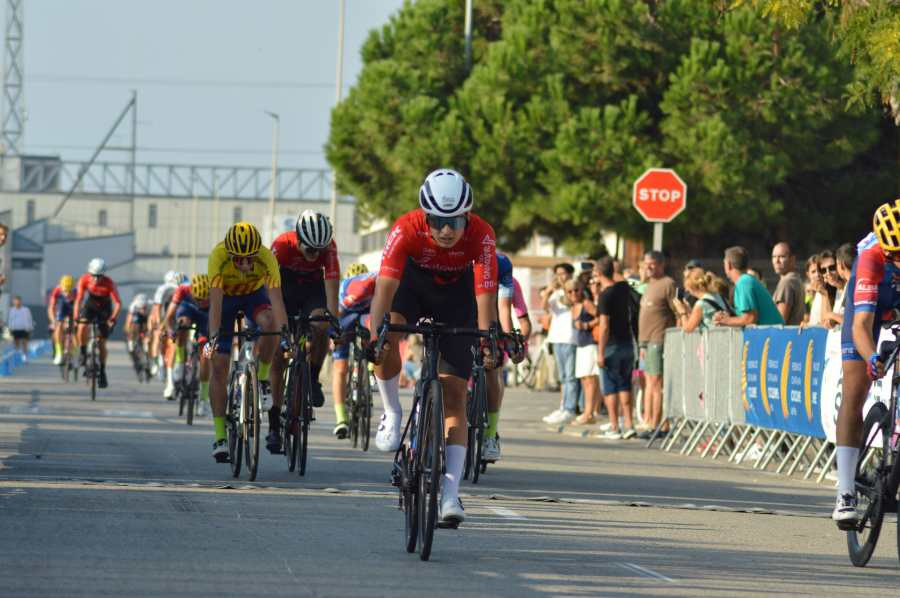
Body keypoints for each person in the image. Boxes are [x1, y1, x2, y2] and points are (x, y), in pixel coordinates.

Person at [368, 168, 498, 526]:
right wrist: (374, 335)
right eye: (438, 220)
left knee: (455, 395)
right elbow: (384, 289)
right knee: (387, 338)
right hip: (411, 286)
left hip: (456, 297)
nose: (445, 229)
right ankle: (392, 411)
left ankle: (451, 493)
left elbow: (485, 296)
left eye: (454, 221)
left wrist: (488, 340)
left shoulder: (482, 235)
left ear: (467, 216)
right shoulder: (405, 228)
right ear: (426, 215)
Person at [833, 200, 900, 527]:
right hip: (872, 304)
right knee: (856, 388)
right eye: (896, 254)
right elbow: (861, 325)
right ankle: (845, 492)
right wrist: (872, 356)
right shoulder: (871, 258)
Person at [204, 222, 288, 463]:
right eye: (237, 259)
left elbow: (277, 300)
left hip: (254, 295)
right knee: (219, 366)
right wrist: (213, 336)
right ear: (229, 253)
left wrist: (284, 333)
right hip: (226, 300)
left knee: (271, 323)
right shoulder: (218, 256)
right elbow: (216, 304)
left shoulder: (266, 258)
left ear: (256, 254)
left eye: (248, 259)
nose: (242, 264)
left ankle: (261, 379)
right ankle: (220, 436)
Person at [268, 210, 340, 454]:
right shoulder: (281, 246)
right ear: (298, 239)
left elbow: (332, 291)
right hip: (284, 287)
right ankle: (274, 421)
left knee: (322, 323)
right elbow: (272, 292)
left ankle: (312, 375)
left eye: (318, 250)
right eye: (309, 249)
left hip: (312, 289)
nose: (314, 254)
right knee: (279, 352)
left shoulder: (328, 248)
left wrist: (334, 324)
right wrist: (281, 326)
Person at [482, 252, 532, 461]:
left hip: (498, 329)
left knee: (494, 372)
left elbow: (519, 319)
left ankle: (491, 435)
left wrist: (518, 343)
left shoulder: (511, 282)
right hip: (469, 321)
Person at [331, 262, 376, 439]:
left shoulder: (383, 283)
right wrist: (333, 336)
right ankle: (341, 418)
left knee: (373, 329)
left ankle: (369, 370)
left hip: (368, 308)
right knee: (340, 368)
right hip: (345, 310)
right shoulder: (357, 288)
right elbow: (337, 316)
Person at [637, 250, 678, 439]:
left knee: (655, 383)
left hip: (658, 340)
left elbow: (677, 311)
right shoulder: (649, 284)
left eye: (652, 263)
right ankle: (650, 421)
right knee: (647, 383)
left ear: (662, 265)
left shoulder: (667, 284)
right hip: (646, 342)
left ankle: (656, 424)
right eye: (646, 264)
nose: (648, 267)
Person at [593, 257, 636, 439]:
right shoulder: (624, 288)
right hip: (628, 342)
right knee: (625, 385)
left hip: (611, 345)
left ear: (598, 273)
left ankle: (614, 426)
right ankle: (629, 424)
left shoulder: (605, 295)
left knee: (610, 387)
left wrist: (600, 352)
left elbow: (604, 326)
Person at [165, 274, 212, 416]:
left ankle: (204, 399)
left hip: (207, 316)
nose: (201, 302)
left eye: (205, 299)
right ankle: (179, 361)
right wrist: (170, 331)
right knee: (183, 324)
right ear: (192, 292)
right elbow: (168, 317)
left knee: (206, 355)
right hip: (188, 309)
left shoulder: (217, 294)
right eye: (198, 299)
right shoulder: (182, 290)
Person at [540, 262, 580, 424]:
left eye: (562, 273)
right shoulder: (556, 292)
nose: (560, 277)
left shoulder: (575, 290)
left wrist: (566, 288)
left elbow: (572, 303)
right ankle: (563, 406)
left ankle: (571, 408)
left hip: (571, 338)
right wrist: (549, 290)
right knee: (562, 377)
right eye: (557, 274)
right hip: (556, 337)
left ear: (570, 274)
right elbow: (544, 308)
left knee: (570, 377)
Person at [74, 258, 122, 389]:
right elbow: (78, 299)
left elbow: (118, 303)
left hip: (105, 309)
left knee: (101, 342)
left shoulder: (109, 283)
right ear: (89, 273)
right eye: (93, 275)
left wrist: (112, 318)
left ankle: (102, 370)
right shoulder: (84, 280)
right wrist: (75, 317)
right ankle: (83, 352)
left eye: (99, 276)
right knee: (82, 326)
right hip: (90, 306)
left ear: (103, 274)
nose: (96, 279)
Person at [714, 246, 784, 327]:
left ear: (729, 265)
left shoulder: (744, 283)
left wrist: (726, 320)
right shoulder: (746, 281)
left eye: (724, 263)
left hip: (772, 337)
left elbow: (750, 318)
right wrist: (729, 317)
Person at [570, 280, 600, 426]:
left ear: (582, 290)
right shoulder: (574, 306)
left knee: (590, 380)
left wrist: (587, 324)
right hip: (580, 346)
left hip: (590, 344)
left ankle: (590, 413)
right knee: (584, 379)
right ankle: (588, 412)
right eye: (570, 291)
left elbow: (601, 317)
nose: (573, 293)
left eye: (576, 290)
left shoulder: (587, 303)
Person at [151, 270, 185, 399]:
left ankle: (182, 366)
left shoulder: (186, 289)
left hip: (182, 314)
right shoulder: (163, 290)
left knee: (179, 342)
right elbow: (157, 309)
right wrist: (160, 325)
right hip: (167, 315)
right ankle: (161, 364)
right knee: (164, 341)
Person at [771, 242, 806, 325]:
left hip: (786, 336)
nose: (777, 261)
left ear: (792, 259)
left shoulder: (787, 282)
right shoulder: (796, 279)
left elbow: (780, 322)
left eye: (782, 256)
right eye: (774, 257)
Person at [48, 274, 76, 365]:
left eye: (69, 291)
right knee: (59, 325)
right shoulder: (57, 290)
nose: (67, 294)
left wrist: (77, 321)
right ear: (61, 287)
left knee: (78, 327)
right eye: (65, 291)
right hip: (62, 307)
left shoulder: (77, 292)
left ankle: (76, 351)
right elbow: (51, 307)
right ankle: (59, 352)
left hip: (72, 307)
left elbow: (80, 307)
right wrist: (53, 320)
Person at [7, 295, 33, 361]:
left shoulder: (26, 310)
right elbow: (10, 320)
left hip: (24, 328)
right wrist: (10, 328)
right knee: (16, 343)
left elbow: (29, 319)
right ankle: (17, 356)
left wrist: (30, 328)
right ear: (14, 302)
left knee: (25, 342)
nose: (17, 302)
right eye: (16, 301)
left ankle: (25, 356)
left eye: (19, 301)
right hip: (15, 329)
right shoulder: (12, 310)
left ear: (21, 301)